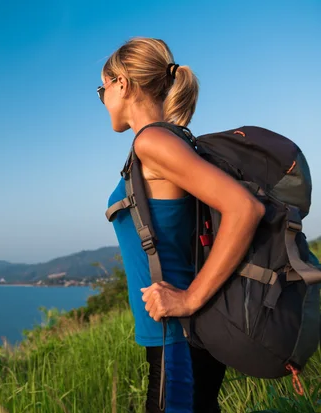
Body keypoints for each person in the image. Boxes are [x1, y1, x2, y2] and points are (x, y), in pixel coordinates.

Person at [99, 37, 266, 412]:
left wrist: (189, 298)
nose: (102, 98)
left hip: (179, 336)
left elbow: (245, 209)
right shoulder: (167, 141)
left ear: (121, 84)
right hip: (179, 336)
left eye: (102, 88)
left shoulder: (153, 142)